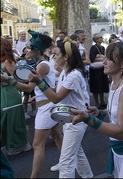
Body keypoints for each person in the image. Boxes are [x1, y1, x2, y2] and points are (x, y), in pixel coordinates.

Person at [70, 42, 123, 177]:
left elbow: (120, 131)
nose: (104, 62)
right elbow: (120, 113)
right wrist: (100, 113)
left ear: (122, 64)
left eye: (109, 58)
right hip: (121, 151)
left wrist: (89, 119)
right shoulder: (115, 83)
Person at [29, 38, 94, 178]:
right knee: (77, 154)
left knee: (65, 163)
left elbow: (56, 98)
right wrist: (40, 94)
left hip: (77, 121)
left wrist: (39, 82)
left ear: (66, 57)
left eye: (57, 54)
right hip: (71, 119)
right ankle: (88, 176)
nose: (53, 55)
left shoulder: (73, 75)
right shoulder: (66, 72)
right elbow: (57, 91)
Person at [2, 30, 63, 177]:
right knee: (57, 136)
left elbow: (29, 87)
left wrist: (8, 80)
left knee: (37, 145)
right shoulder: (40, 63)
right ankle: (68, 161)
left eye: (29, 48)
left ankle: (34, 176)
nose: (26, 50)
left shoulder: (41, 66)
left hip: (46, 107)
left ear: (37, 50)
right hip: (46, 104)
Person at [0, 37, 32, 156]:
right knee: (6, 119)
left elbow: (19, 77)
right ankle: (11, 145)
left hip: (10, 94)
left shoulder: (8, 61)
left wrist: (5, 80)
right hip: (3, 94)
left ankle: (19, 145)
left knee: (13, 119)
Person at [89, 33, 109, 109]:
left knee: (102, 85)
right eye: (100, 37)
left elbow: (105, 56)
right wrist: (102, 58)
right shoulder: (93, 48)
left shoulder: (103, 48)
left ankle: (102, 101)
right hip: (95, 70)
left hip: (102, 69)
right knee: (96, 86)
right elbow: (92, 58)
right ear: (96, 39)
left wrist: (100, 57)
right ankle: (96, 102)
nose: (101, 38)